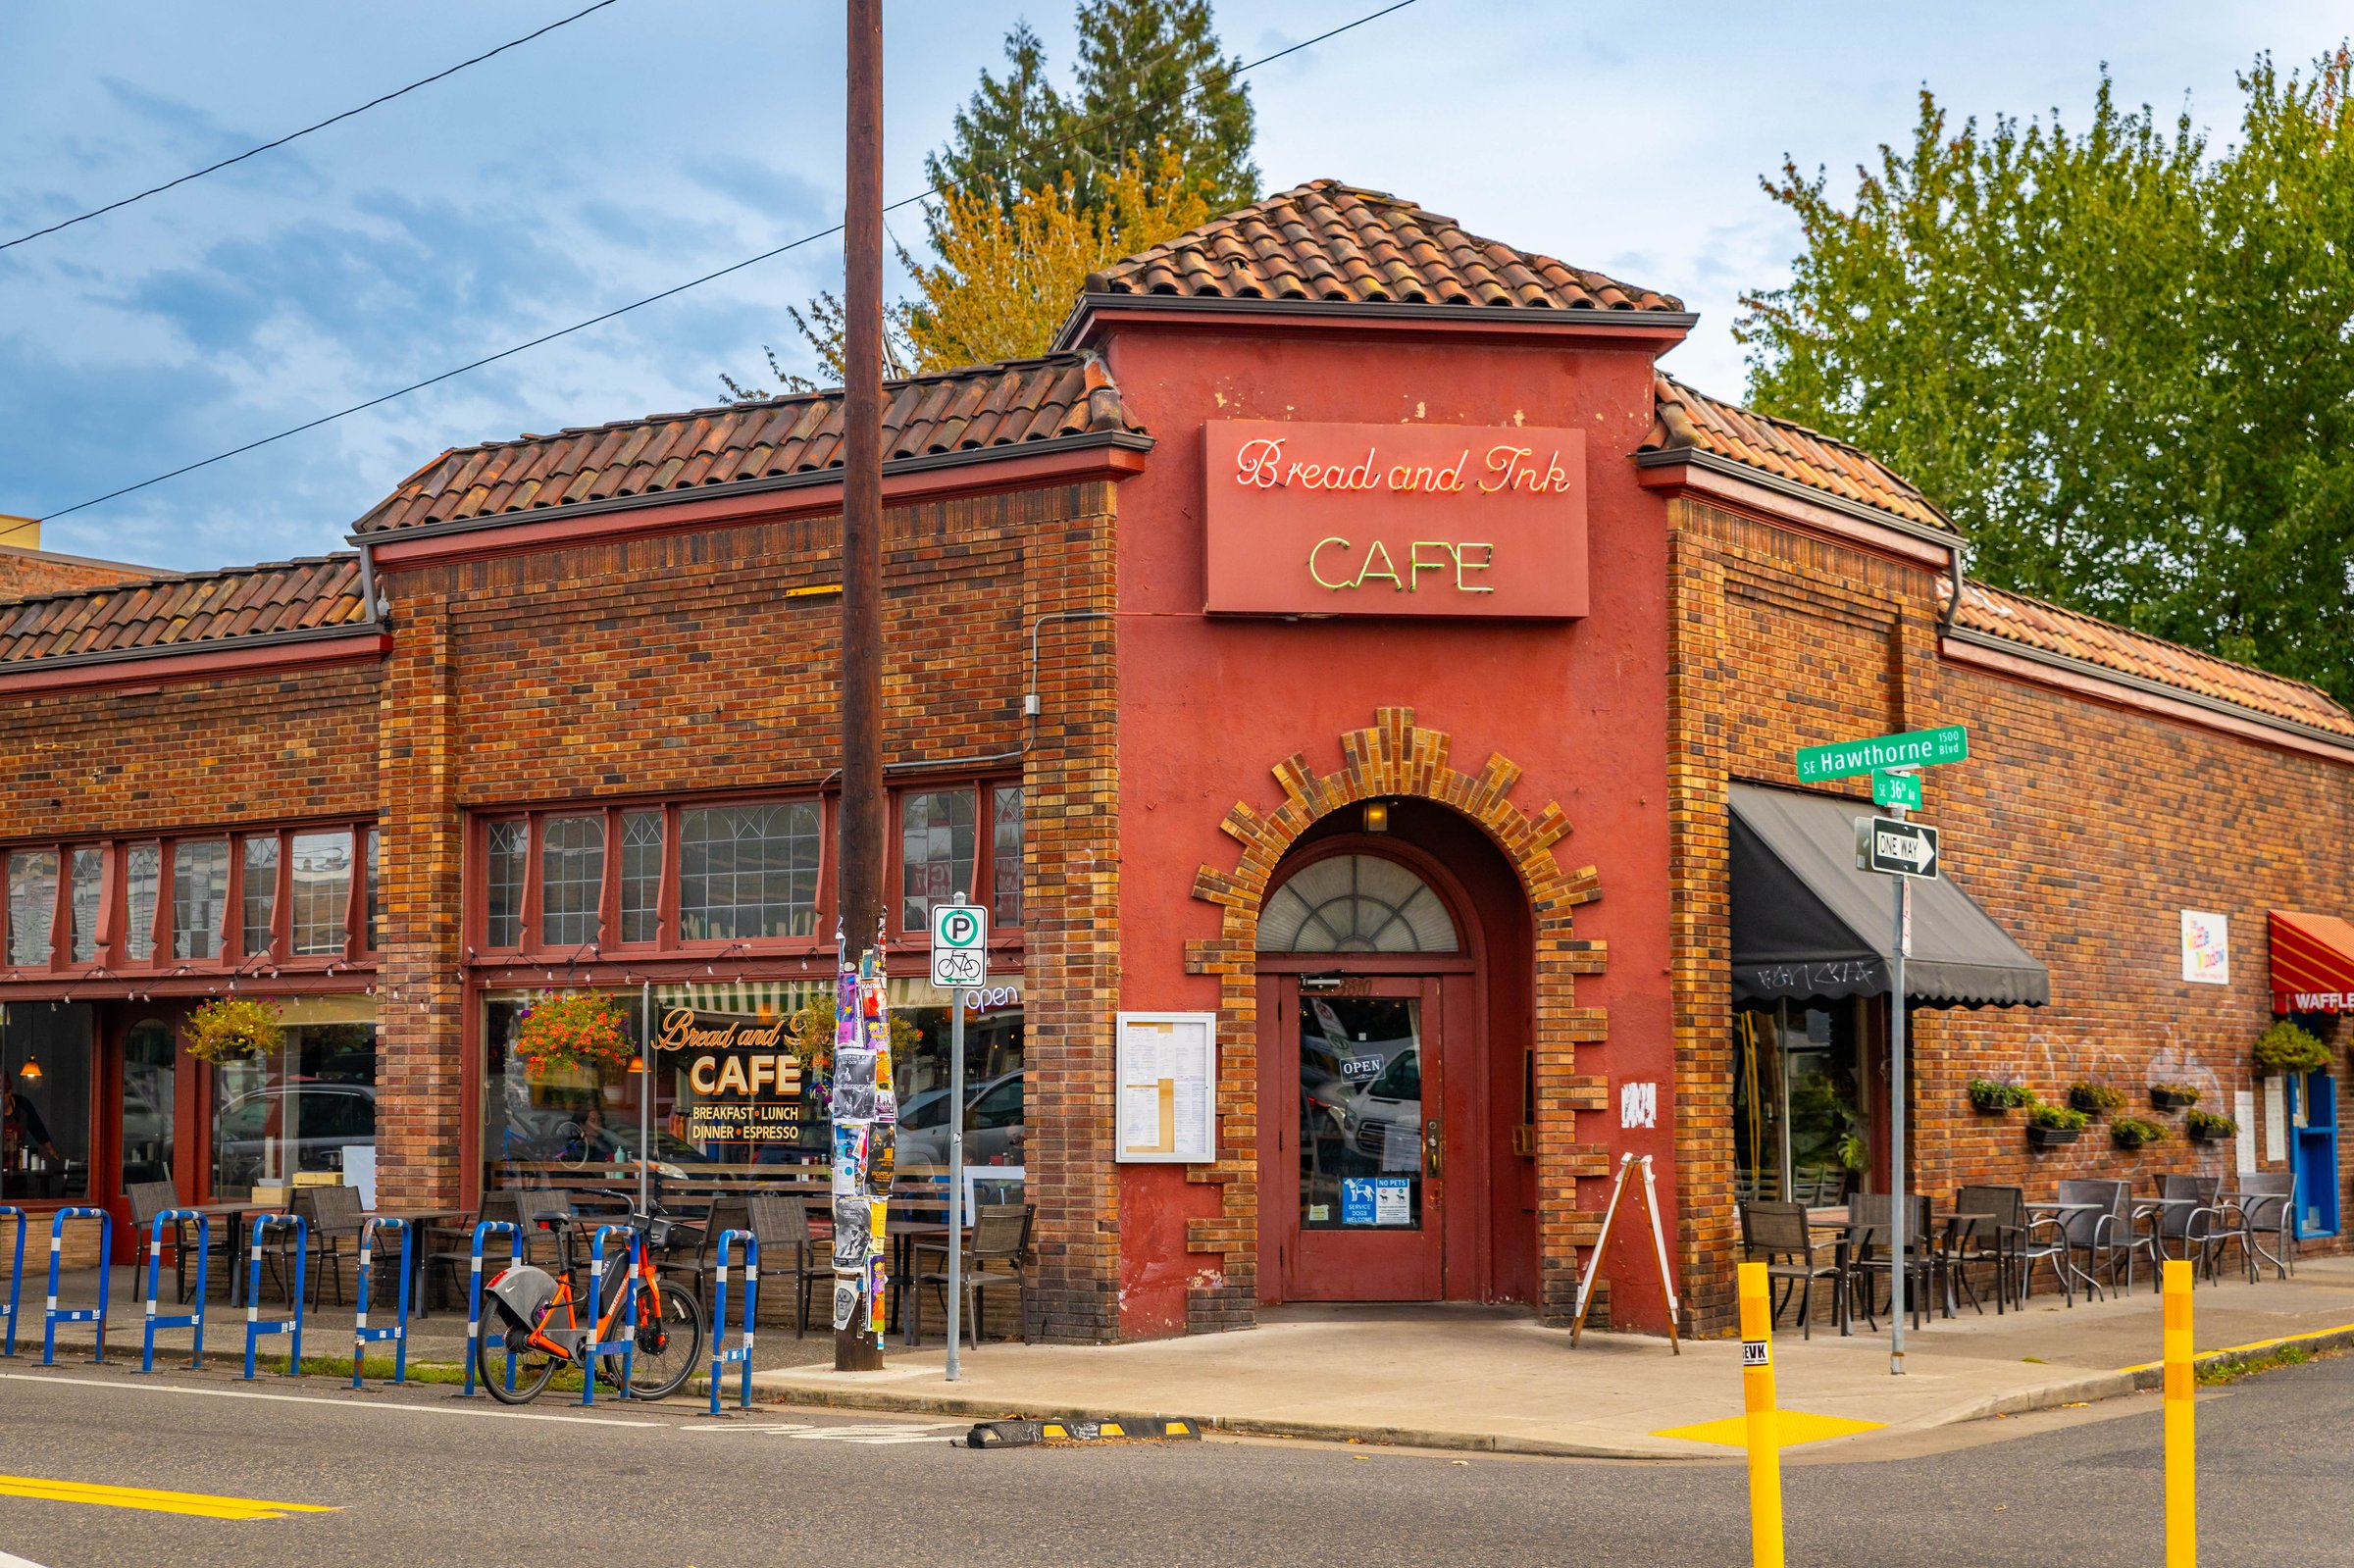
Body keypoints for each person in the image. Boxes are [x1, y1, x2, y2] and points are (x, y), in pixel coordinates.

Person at [3, 1083, 62, 1170]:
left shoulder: (22, 1106)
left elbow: (37, 1127)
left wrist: (52, 1151)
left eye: (3, 1096)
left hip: (17, 1167)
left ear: (9, 1092)